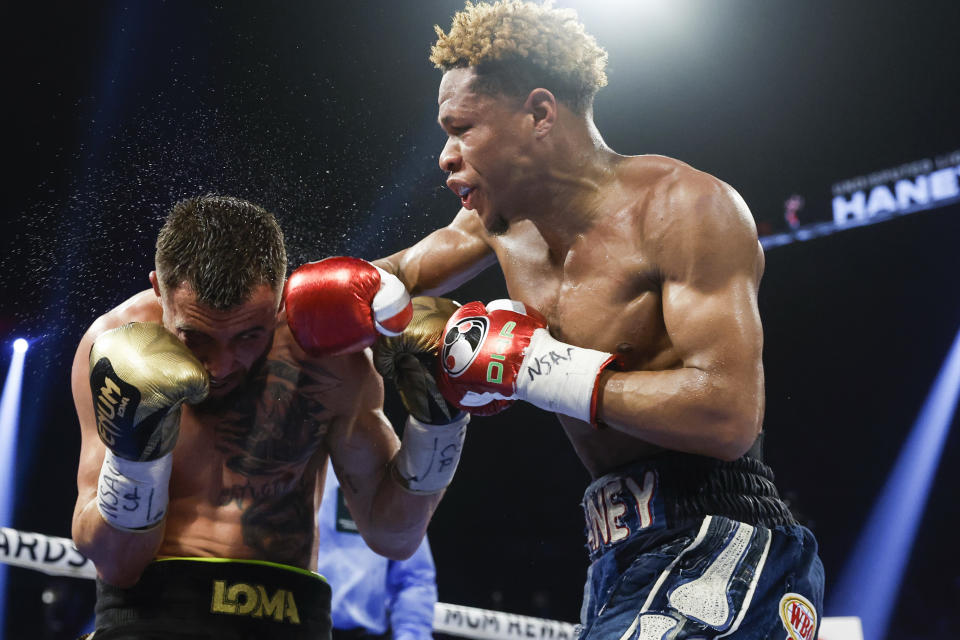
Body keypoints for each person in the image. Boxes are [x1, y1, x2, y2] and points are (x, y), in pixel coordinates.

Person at [311, 2, 825, 639]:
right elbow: (380, 282)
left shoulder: (684, 208)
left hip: (723, 539)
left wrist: (534, 366)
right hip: (617, 555)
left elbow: (727, 414)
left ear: (539, 113)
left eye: (462, 127)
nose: (445, 156)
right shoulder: (496, 222)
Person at [70, 194, 468, 639]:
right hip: (150, 616)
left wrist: (440, 424)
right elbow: (117, 564)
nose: (220, 365)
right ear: (160, 290)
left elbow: (394, 538)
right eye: (195, 337)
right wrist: (135, 460)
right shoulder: (114, 346)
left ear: (280, 301)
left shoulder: (325, 359)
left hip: (290, 619)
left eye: (248, 336)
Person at [316, 464, 437, 640]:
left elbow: (413, 578)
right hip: (293, 628)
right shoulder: (287, 469)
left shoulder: (388, 476)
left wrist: (413, 636)